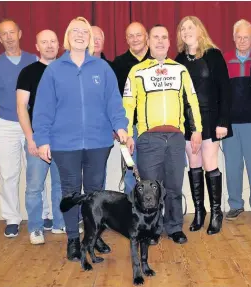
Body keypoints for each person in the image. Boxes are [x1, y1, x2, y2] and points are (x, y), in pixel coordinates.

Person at [32, 16, 129, 261]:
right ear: (67, 37)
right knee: (71, 192)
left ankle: (93, 237)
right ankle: (74, 239)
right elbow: (43, 108)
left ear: (90, 38)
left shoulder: (102, 68)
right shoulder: (54, 70)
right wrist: (42, 139)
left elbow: (114, 103)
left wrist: (121, 128)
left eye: (83, 32)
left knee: (96, 194)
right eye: (74, 31)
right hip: (65, 145)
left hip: (98, 143)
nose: (79, 35)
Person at [124, 24, 203, 244]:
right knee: (150, 188)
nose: (160, 41)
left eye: (164, 37)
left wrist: (197, 130)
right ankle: (152, 229)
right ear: (149, 42)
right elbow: (128, 105)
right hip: (148, 138)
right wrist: (128, 134)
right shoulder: (136, 71)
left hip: (176, 138)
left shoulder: (180, 70)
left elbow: (192, 102)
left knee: (174, 186)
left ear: (170, 42)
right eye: (155, 37)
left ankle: (175, 227)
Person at [0, 19, 53, 238]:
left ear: (20, 34)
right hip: (6, 125)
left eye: (12, 32)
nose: (8, 37)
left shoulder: (33, 60)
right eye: (3, 34)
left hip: (32, 124)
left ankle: (46, 214)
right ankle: (12, 218)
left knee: (37, 172)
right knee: (8, 174)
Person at [175, 16, 232, 235]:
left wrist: (223, 121)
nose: (186, 31)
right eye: (183, 28)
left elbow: (225, 90)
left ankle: (216, 212)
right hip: (188, 121)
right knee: (194, 164)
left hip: (211, 119)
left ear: (200, 30)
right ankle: (200, 211)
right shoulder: (178, 59)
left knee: (210, 163)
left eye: (190, 27)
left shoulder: (214, 55)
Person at [16, 30, 66, 245]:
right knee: (35, 186)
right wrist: (31, 138)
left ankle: (60, 223)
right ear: (37, 46)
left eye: (53, 41)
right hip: (39, 137)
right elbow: (21, 107)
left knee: (61, 184)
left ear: (59, 44)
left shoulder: (66, 70)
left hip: (62, 139)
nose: (49, 45)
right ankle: (35, 227)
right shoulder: (28, 72)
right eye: (44, 42)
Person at [223, 19, 251, 223]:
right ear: (233, 38)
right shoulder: (224, 60)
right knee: (232, 166)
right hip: (230, 125)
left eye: (246, 37)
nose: (242, 40)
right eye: (238, 37)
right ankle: (235, 205)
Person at [113, 22, 150, 194]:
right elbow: (113, 99)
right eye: (131, 36)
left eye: (139, 35)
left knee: (152, 170)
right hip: (129, 129)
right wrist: (118, 127)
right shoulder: (118, 64)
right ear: (126, 39)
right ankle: (131, 213)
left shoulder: (157, 60)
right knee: (130, 171)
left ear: (146, 37)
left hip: (153, 128)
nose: (135, 39)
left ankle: (154, 212)